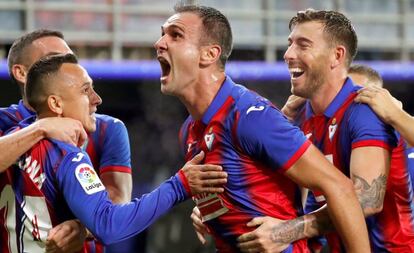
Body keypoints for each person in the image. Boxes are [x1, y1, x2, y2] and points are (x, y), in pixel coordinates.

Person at [154, 4, 369, 253]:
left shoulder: (249, 116)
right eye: (162, 34)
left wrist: (291, 230)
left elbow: (340, 188)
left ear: (209, 55)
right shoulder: (190, 131)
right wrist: (211, 209)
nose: (159, 42)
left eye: (175, 35)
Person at [0, 29, 227, 253]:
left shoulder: (105, 128)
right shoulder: (66, 152)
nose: (97, 99)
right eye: (85, 90)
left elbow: (116, 201)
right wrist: (180, 185)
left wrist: (83, 228)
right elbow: (109, 224)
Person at [236, 9, 414, 252]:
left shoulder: (365, 110)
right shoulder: (301, 116)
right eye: (290, 44)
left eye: (303, 45)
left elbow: (367, 200)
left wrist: (287, 230)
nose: (288, 54)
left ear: (336, 56)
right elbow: (310, 197)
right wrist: (217, 207)